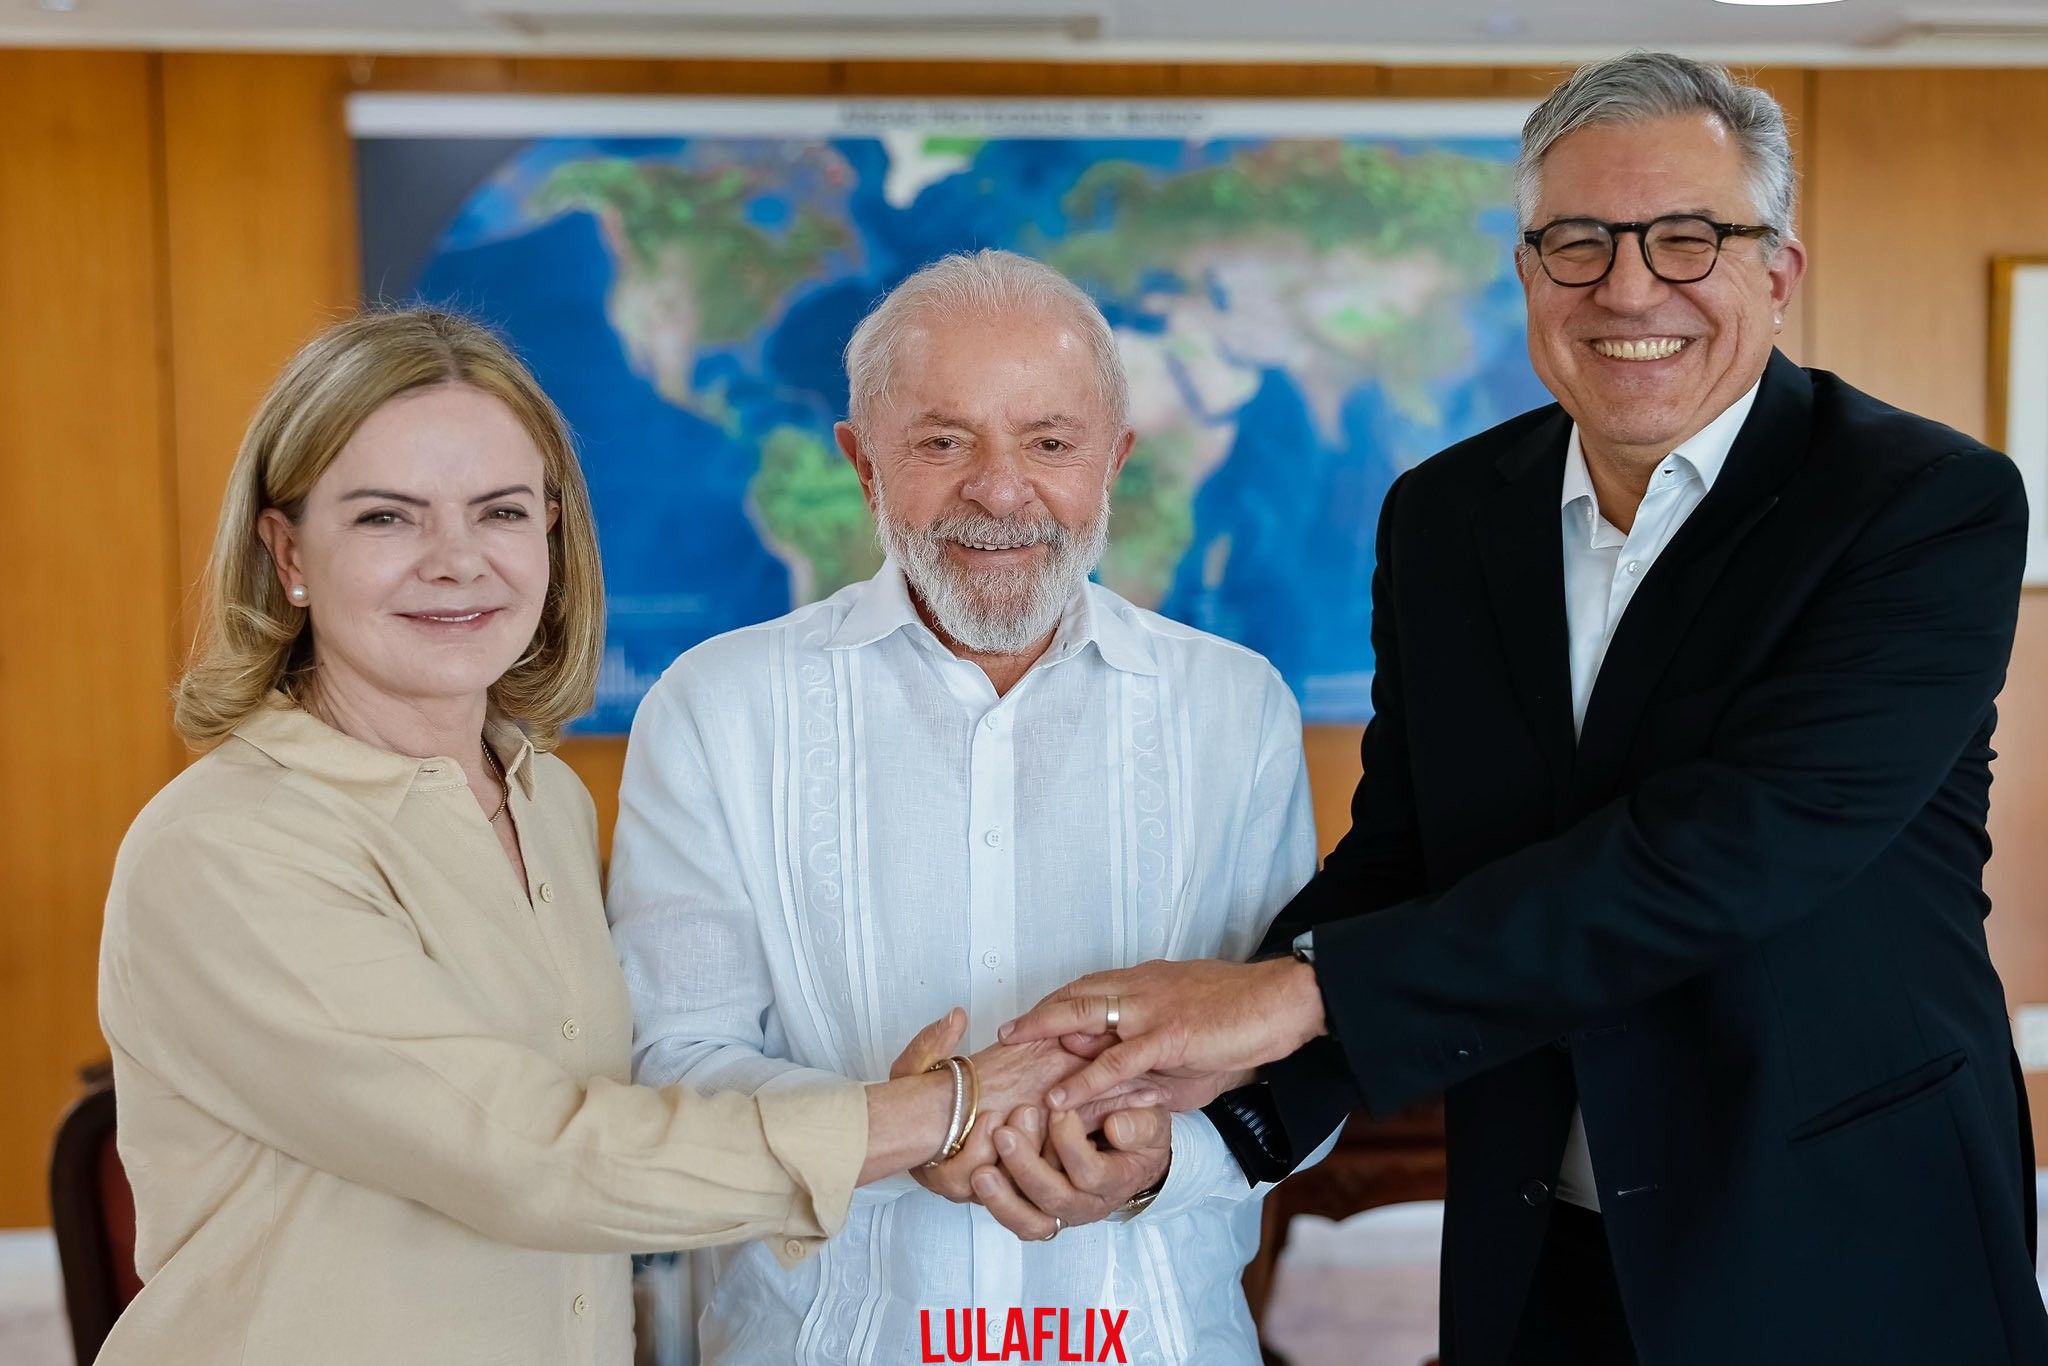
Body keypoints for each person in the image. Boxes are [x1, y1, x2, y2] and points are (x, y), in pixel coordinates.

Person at [1002, 52, 2048, 1366]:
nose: (1629, 287)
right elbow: (1408, 854)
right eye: (1578, 241)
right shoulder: (1444, 517)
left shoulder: (1920, 504)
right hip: (1537, 1246)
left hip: (1845, 1242)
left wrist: (1296, 995)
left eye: (1688, 237)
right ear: (1525, 272)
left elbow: (1725, 852)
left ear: (1777, 272)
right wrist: (1219, 1121)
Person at [96, 307, 1087, 1366]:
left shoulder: (543, 801)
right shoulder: (227, 848)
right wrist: (939, 1112)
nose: (456, 561)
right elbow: (534, 1157)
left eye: (500, 511)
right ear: (288, 550)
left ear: (551, 533)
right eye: (387, 517)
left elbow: (613, 1134)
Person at [607, 250, 1321, 1363]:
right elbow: (673, 1063)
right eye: (943, 443)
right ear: (863, 464)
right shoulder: (714, 706)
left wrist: (1163, 1161)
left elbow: (1293, 1057)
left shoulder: (1239, 708)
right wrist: (901, 1126)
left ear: (1114, 462)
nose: (999, 490)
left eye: (1049, 443)